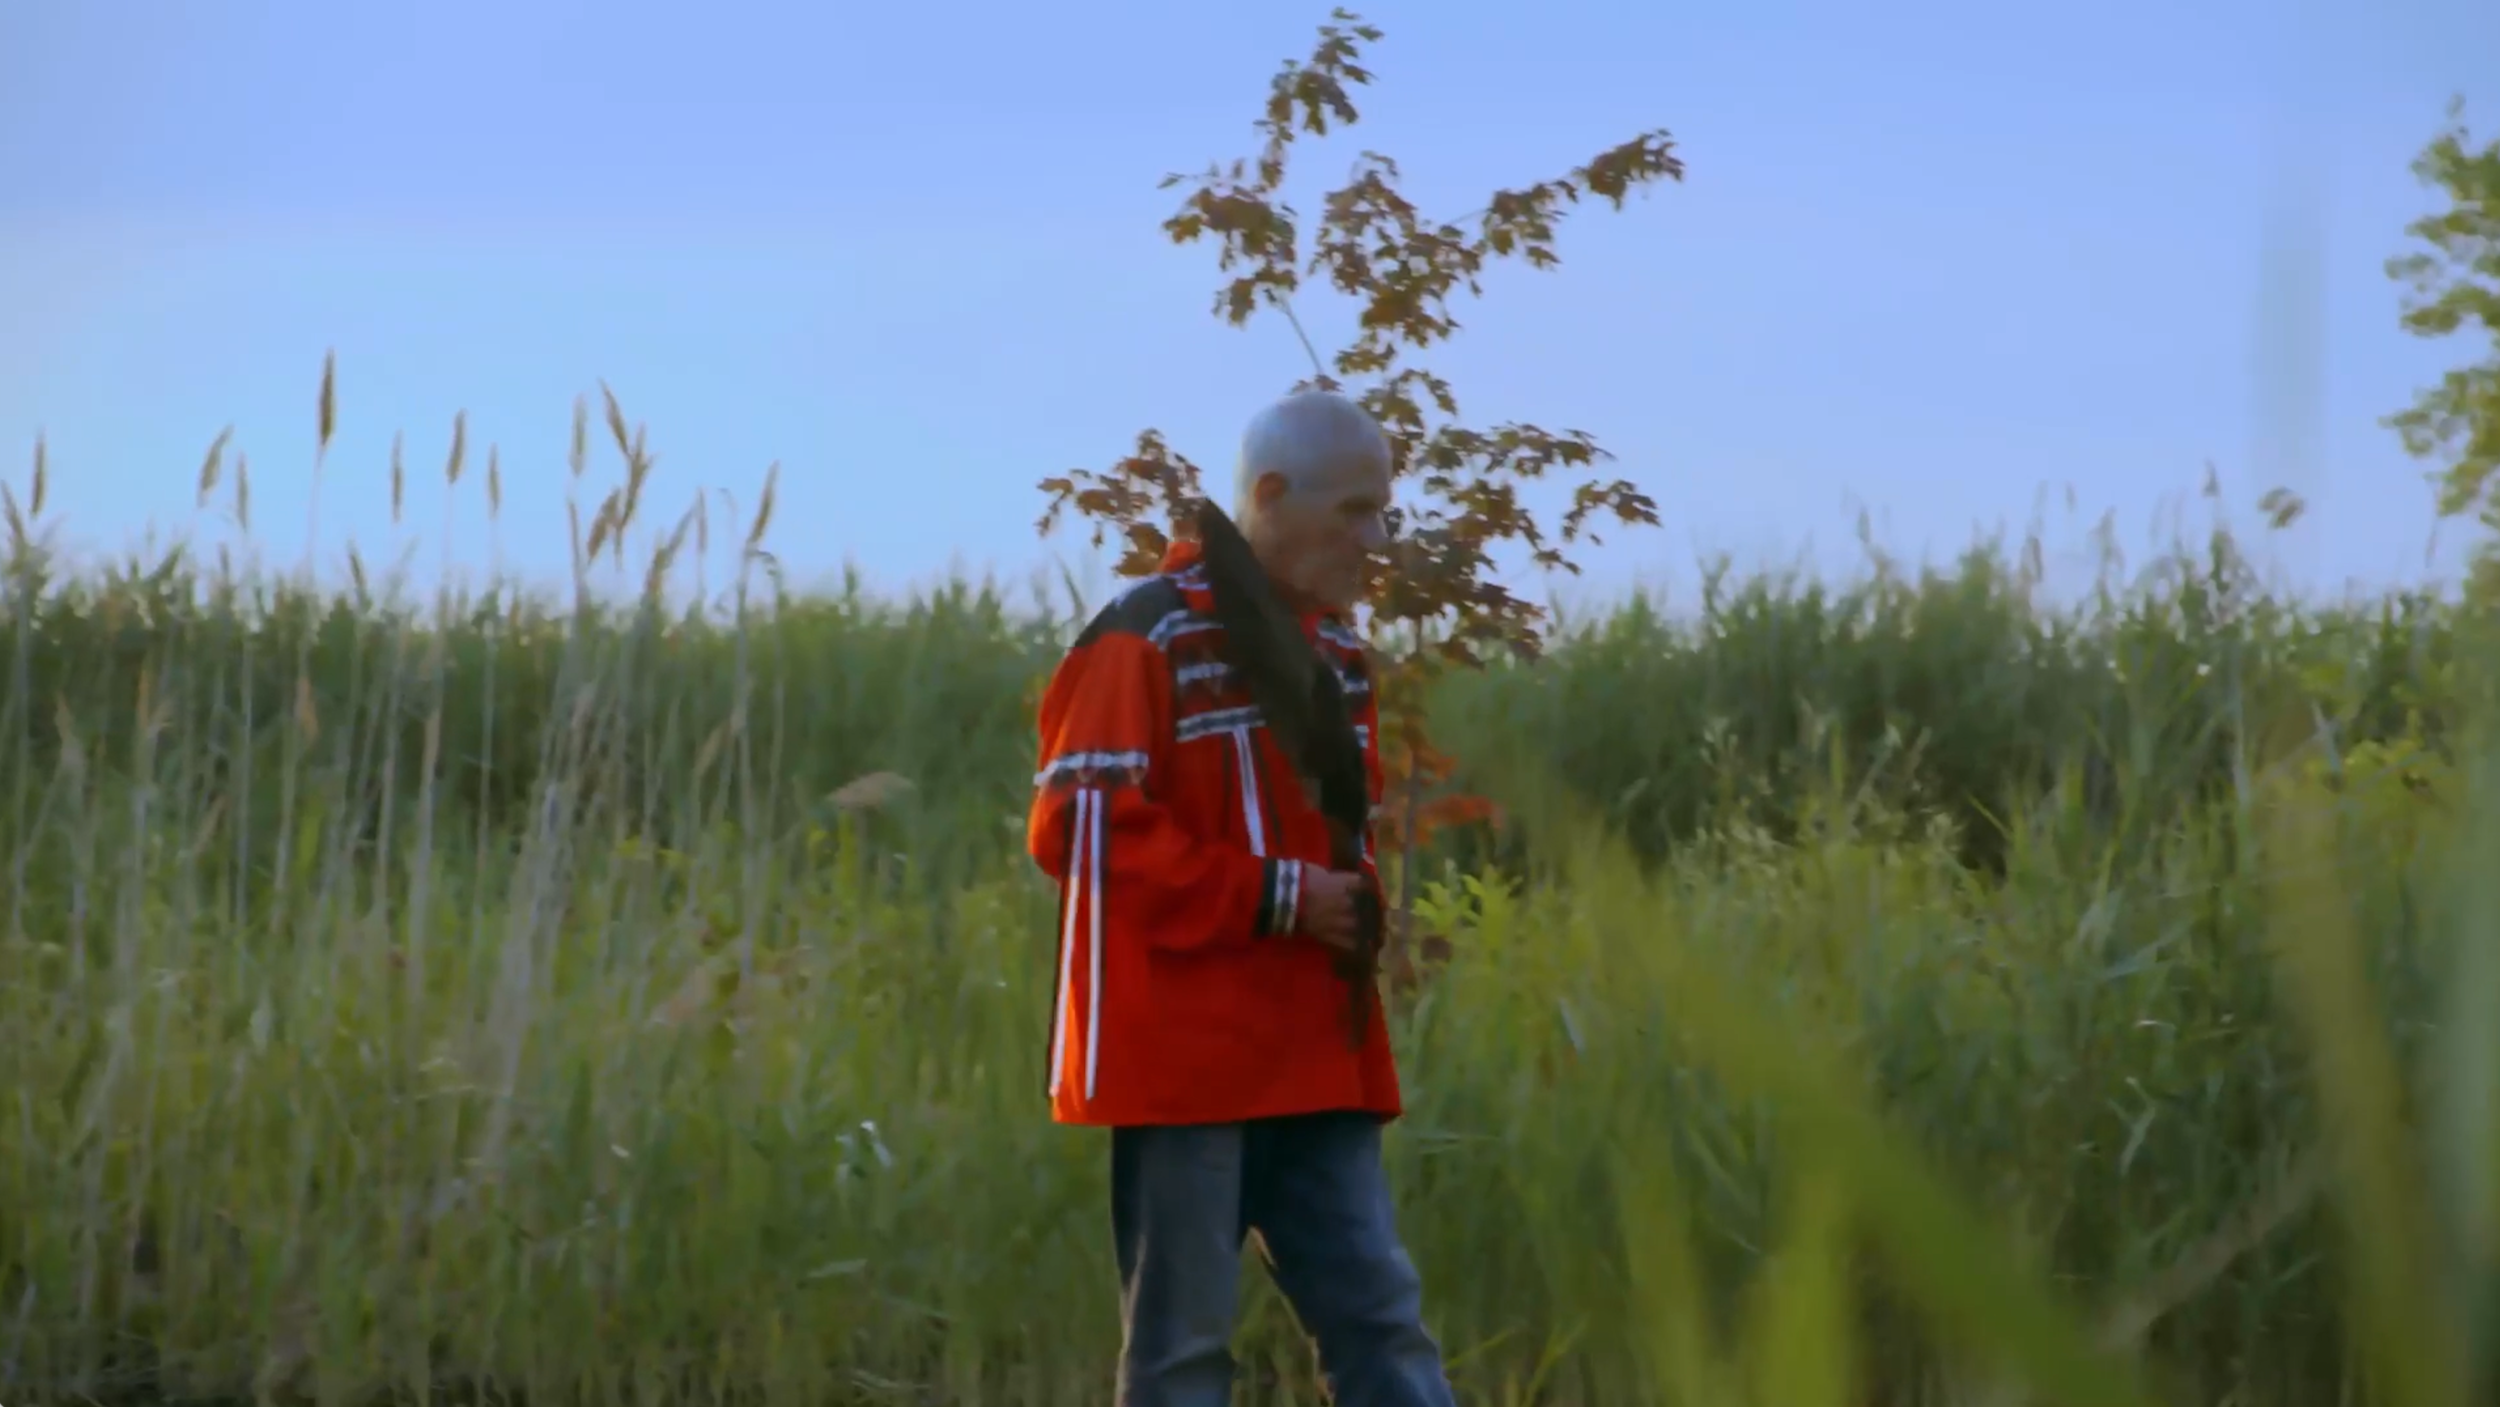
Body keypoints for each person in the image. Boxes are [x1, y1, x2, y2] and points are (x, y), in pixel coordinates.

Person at [1025, 389, 1460, 1407]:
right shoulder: (1143, 633)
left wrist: (1346, 902)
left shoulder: (1337, 654)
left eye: (1383, 512)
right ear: (1267, 494)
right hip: (1185, 1059)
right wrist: (1282, 897)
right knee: (1181, 1357)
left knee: (1384, 1330)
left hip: (1314, 1048)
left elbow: (1337, 839)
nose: (1375, 540)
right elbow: (1079, 825)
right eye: (1354, 512)